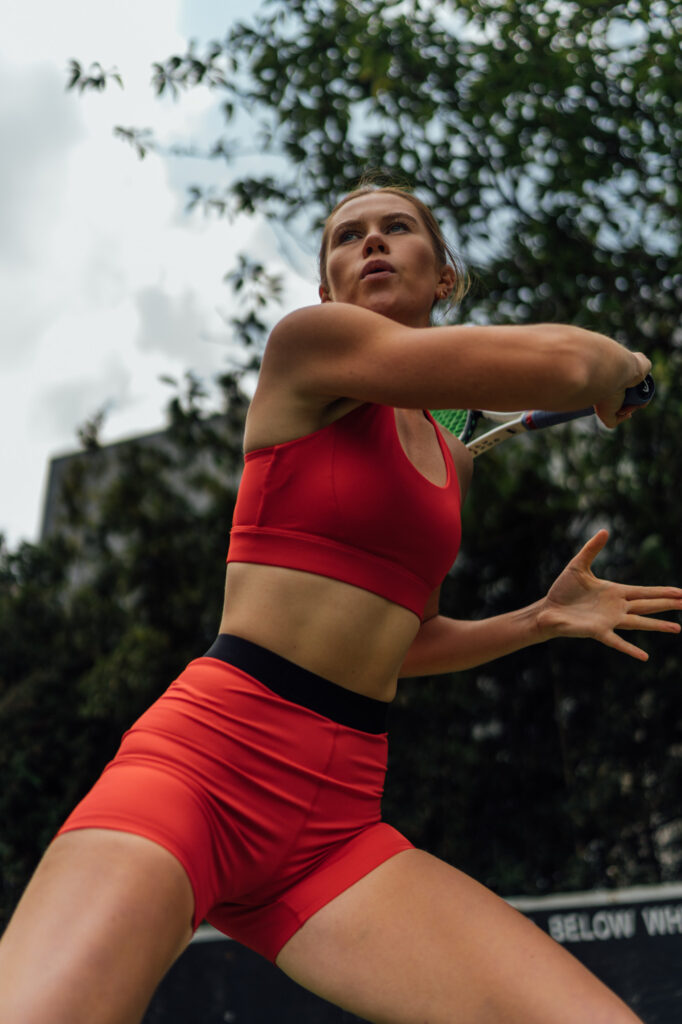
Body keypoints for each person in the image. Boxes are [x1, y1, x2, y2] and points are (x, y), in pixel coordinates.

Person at [1, 183, 681, 1024]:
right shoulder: (309, 344)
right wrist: (623, 367)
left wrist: (536, 620)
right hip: (204, 768)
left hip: (338, 821)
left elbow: (405, 637)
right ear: (328, 288)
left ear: (443, 277)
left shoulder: (451, 460)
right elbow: (577, 366)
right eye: (346, 238)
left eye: (397, 228)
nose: (372, 244)